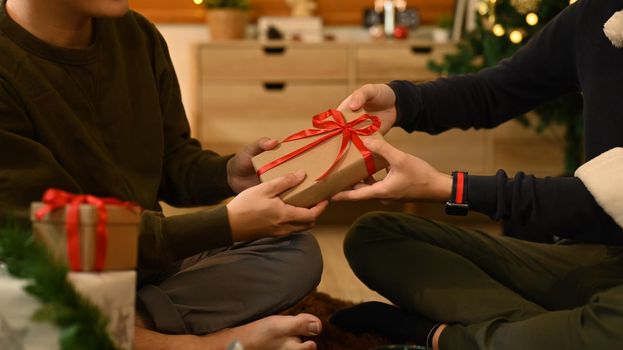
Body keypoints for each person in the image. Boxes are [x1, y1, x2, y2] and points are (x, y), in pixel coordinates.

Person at [0, 0, 328, 349]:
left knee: (296, 252)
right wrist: (226, 223)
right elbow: (54, 236)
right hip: (50, 271)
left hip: (141, 265)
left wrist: (228, 174)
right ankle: (194, 344)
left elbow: (173, 160)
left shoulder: (138, 35)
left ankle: (121, 327)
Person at [330, 0, 623, 349]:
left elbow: (594, 200)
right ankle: (549, 332)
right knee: (374, 236)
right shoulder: (598, 14)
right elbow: (496, 91)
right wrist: (402, 102)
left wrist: (449, 187)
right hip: (598, 255)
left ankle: (445, 337)